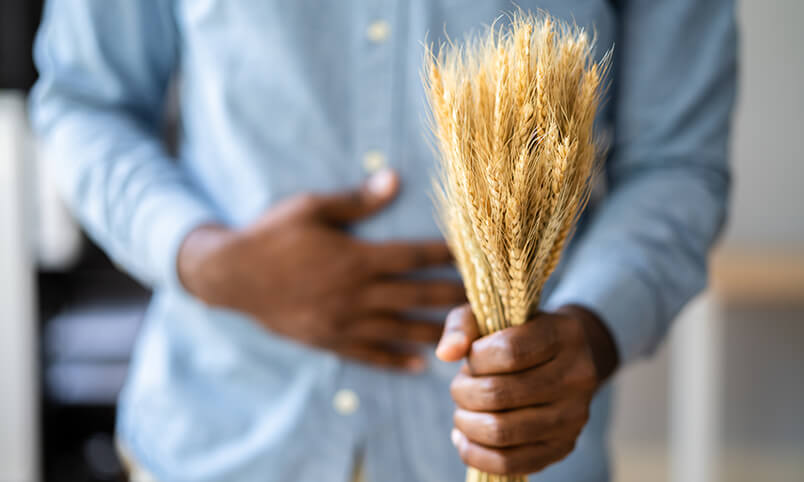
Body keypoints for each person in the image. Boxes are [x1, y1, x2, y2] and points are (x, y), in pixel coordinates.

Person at [30, 0, 736, 480]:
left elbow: (676, 166)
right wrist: (208, 260)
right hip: (221, 437)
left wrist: (587, 334)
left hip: (526, 461)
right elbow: (83, 101)